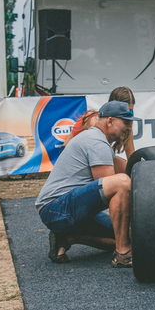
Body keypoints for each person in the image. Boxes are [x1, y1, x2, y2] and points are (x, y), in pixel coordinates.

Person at [36, 101, 135, 268]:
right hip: (55, 208)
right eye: (125, 122)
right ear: (110, 121)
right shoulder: (96, 142)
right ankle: (122, 253)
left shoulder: (96, 140)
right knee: (122, 183)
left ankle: (68, 237)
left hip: (65, 208)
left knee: (130, 236)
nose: (128, 128)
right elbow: (113, 188)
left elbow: (129, 167)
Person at [70, 86, 138, 159]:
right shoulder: (95, 121)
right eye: (124, 111)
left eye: (130, 111)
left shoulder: (126, 127)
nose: (127, 115)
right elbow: (101, 155)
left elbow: (132, 158)